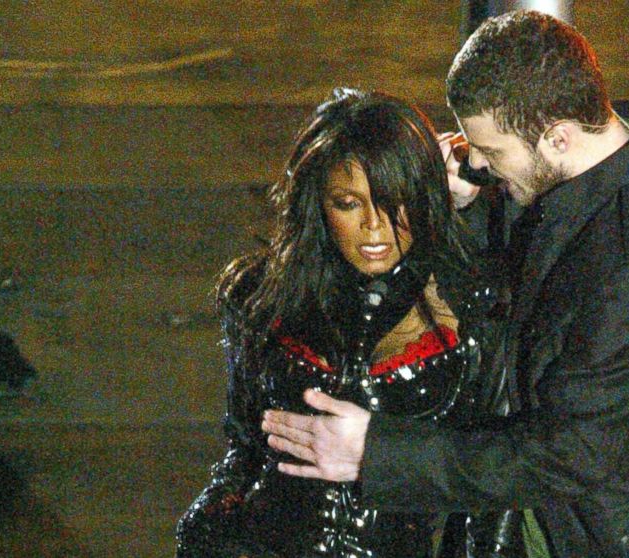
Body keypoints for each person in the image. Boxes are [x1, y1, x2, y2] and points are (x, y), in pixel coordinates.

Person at [260, 11, 629, 557]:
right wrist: (471, 206)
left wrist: (375, 454)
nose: (479, 164)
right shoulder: (596, 170)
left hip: (600, 538)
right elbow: (531, 274)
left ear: (557, 137)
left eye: (491, 152)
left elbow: (567, 454)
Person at [176, 89, 525, 557]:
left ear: (423, 195)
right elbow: (243, 452)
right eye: (348, 203)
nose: (375, 228)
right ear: (318, 203)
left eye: (393, 200)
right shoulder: (258, 297)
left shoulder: (477, 306)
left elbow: (493, 498)